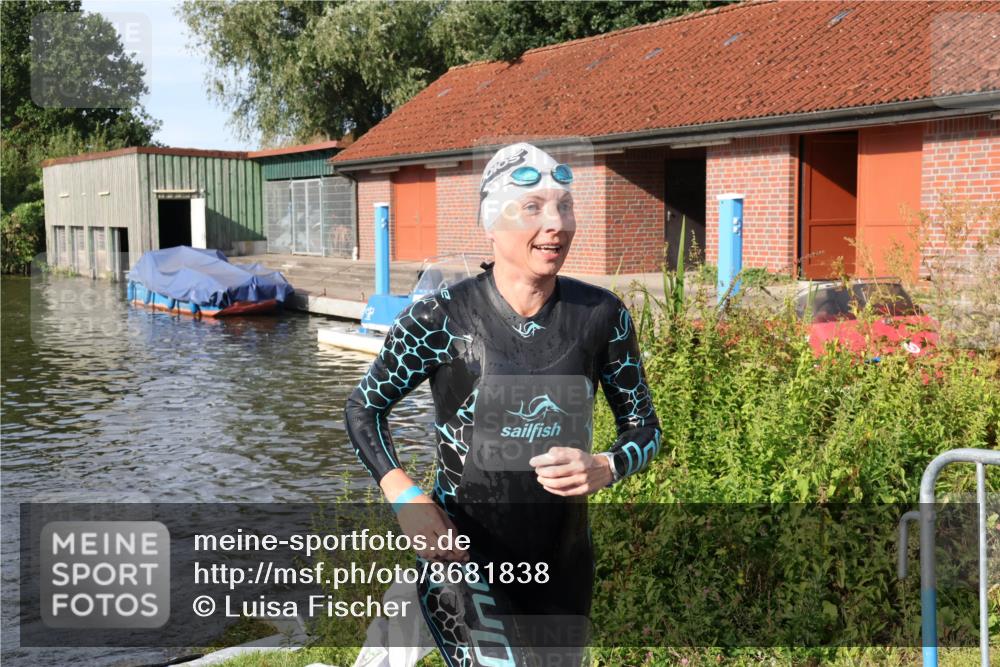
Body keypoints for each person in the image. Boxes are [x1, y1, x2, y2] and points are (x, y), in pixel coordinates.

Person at [344, 142, 662, 667]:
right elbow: (362, 409)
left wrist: (605, 465)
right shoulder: (440, 318)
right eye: (533, 207)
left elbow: (645, 427)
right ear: (491, 222)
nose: (556, 223)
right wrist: (404, 496)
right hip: (462, 562)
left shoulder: (601, 316)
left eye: (564, 205)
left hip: (562, 567)